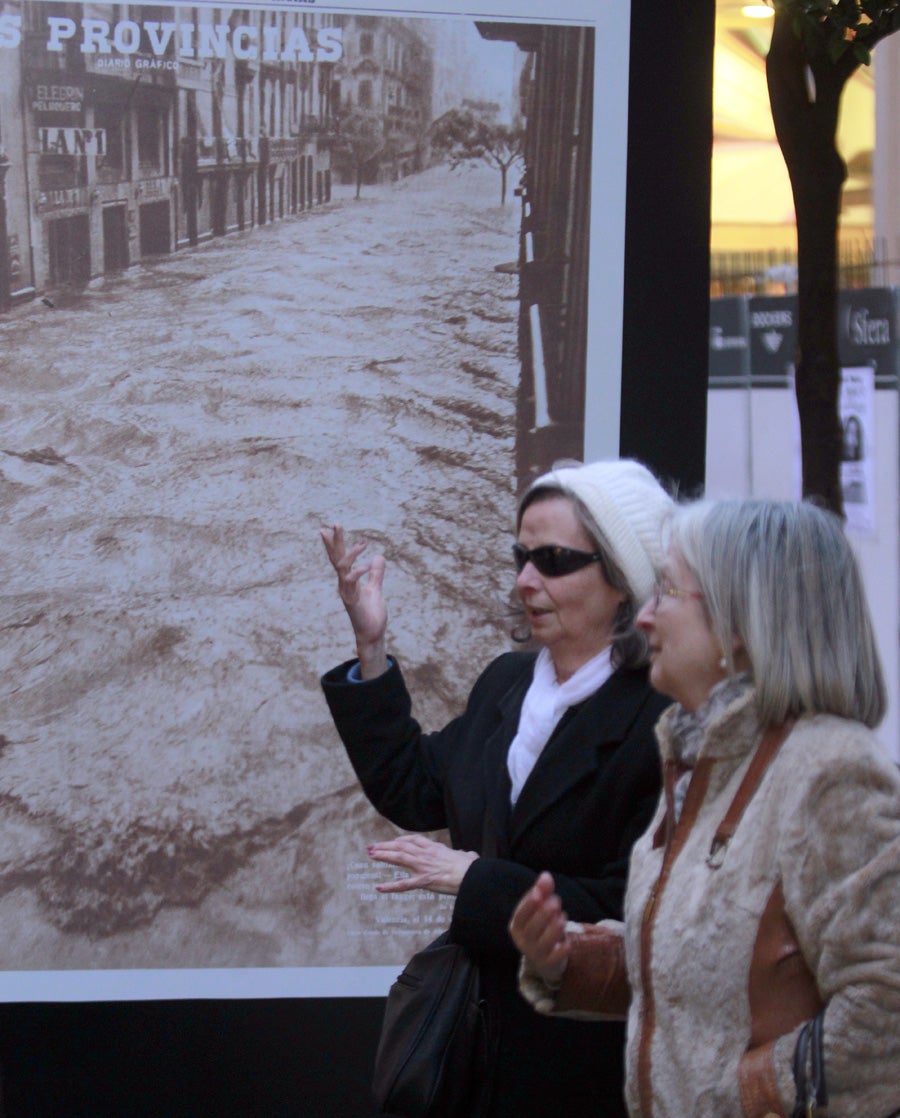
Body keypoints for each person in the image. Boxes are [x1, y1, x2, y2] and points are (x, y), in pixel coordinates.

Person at [511, 497, 900, 1118]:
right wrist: (565, 960)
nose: (643, 617)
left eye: (665, 590)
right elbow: (693, 976)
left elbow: (888, 1009)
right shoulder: (702, 764)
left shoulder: (832, 774)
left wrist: (740, 1094)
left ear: (741, 622)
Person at [319, 459, 674, 1117]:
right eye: (521, 555)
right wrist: (371, 646)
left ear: (626, 577)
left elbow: (637, 912)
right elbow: (416, 787)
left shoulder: (659, 719)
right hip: (477, 1051)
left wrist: (474, 878)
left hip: (582, 1070)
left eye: (554, 560)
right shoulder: (508, 682)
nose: (524, 580)